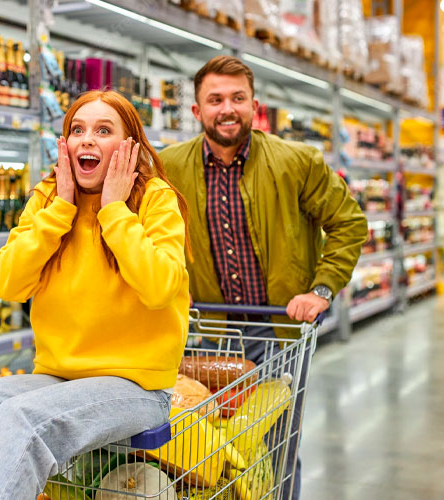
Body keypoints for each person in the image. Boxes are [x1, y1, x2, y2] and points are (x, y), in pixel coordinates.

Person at [0, 90, 191, 500]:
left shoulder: (154, 199)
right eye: (77, 129)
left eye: (103, 130)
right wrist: (60, 211)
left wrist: (113, 211)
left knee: (23, 419)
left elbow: (160, 287)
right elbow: (8, 283)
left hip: (137, 387)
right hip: (57, 379)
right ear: (65, 144)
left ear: (129, 146)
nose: (87, 139)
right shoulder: (48, 199)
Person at [158, 55, 368, 499]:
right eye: (215, 99)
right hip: (206, 331)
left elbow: (348, 222)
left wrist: (321, 289)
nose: (227, 109)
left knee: (274, 444)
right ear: (197, 111)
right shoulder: (169, 167)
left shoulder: (297, 162)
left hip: (278, 330)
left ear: (255, 106)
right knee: (200, 447)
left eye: (237, 98)